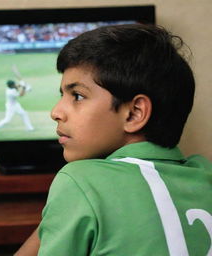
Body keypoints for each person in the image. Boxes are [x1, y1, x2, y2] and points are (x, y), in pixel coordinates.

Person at [15, 24, 212, 256]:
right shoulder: (204, 173)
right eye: (62, 95)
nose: (56, 112)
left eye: (77, 96)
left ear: (134, 113)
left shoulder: (80, 179)